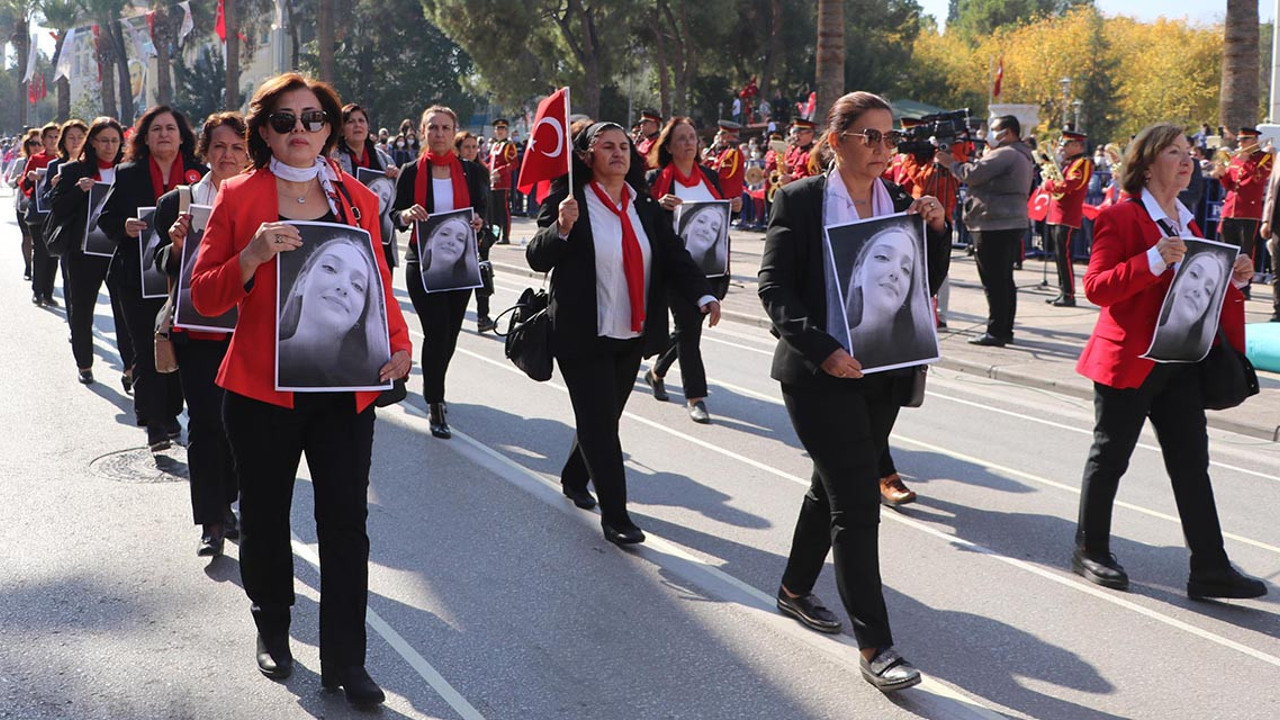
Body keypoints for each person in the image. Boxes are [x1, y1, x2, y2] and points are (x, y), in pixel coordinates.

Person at [190, 72, 411, 706]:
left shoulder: (356, 198)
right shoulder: (238, 196)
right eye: (284, 121)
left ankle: (347, 658)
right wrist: (252, 257)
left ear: (330, 127)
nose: (300, 131)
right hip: (261, 391)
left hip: (345, 391)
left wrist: (399, 344)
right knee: (264, 517)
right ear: (263, 130)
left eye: (312, 119)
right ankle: (273, 630)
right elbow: (204, 294)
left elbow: (377, 282)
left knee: (346, 523)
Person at [759, 91, 950, 692]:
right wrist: (824, 349)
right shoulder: (799, 199)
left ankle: (793, 589)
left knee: (830, 486)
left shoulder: (897, 199)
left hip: (880, 375)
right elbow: (774, 289)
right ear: (836, 139)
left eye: (889, 138)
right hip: (819, 374)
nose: (883, 148)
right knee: (857, 500)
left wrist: (938, 233)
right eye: (870, 136)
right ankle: (876, 647)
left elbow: (925, 281)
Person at [1073, 123, 1266, 601]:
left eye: (1189, 153)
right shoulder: (1121, 216)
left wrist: (1235, 280)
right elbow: (1097, 287)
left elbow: (1196, 294)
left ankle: (1210, 568)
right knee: (1110, 457)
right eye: (1175, 152)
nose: (1188, 160)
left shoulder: (1188, 220)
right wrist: (1153, 260)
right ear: (1147, 162)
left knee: (1191, 464)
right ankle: (1090, 548)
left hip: (1181, 361)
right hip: (1130, 360)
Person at [528, 121, 719, 544]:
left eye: (625, 147)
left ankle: (575, 475)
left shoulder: (645, 206)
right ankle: (617, 516)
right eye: (608, 146)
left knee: (603, 417)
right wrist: (559, 228)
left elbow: (675, 257)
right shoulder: (570, 200)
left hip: (630, 333)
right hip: (582, 333)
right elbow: (537, 258)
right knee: (601, 425)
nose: (618, 153)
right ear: (587, 157)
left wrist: (704, 296)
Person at [153, 111, 248, 557]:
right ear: (205, 151)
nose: (227, 156)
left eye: (237, 147)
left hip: (248, 331)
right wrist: (174, 246)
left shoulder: (263, 195)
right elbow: (159, 267)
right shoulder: (181, 200)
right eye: (219, 147)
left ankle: (231, 504)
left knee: (239, 427)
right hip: (196, 331)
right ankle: (211, 519)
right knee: (205, 425)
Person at [98, 106, 206, 453]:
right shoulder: (128, 173)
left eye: (170, 128)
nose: (163, 134)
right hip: (136, 276)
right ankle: (153, 422)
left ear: (182, 136)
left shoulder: (200, 175)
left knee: (177, 345)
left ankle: (171, 411)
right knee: (147, 348)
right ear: (145, 137)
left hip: (183, 278)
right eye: (156, 129)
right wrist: (124, 227)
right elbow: (106, 219)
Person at [392, 105, 487, 439]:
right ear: (423, 131)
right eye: (433, 127)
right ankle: (435, 402)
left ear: (454, 131)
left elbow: (482, 215)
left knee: (450, 335)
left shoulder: (472, 172)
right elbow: (393, 216)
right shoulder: (410, 170)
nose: (440, 133)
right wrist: (405, 214)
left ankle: (435, 383)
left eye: (446, 127)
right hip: (423, 262)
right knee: (436, 330)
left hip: (460, 265)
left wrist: (478, 223)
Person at [644, 116, 739, 424]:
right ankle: (695, 396)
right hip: (675, 268)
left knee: (688, 330)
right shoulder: (657, 178)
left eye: (692, 137)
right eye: (681, 138)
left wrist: (733, 208)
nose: (688, 143)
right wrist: (659, 205)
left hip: (712, 270)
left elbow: (719, 219)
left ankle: (657, 373)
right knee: (689, 331)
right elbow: (642, 218)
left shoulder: (710, 176)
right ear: (668, 146)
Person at [46, 117, 136, 392]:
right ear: (93, 143)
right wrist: (77, 190)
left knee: (125, 312)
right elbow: (57, 207)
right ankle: (84, 363)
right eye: (103, 141)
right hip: (83, 253)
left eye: (114, 140)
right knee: (82, 309)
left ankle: (131, 367)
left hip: (118, 251)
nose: (109, 146)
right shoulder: (74, 170)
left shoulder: (129, 171)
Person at [937, 115, 1035, 346]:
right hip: (1006, 221)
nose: (988, 135)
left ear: (1008, 133)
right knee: (1003, 280)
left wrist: (951, 163)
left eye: (994, 130)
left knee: (994, 281)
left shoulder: (1007, 153)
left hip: (994, 223)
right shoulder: (1019, 153)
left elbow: (974, 174)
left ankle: (996, 331)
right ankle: (1003, 328)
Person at [278, 235, 388, 387]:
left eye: (357, 285)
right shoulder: (263, 360)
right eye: (330, 268)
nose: (343, 286)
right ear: (302, 282)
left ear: (362, 314)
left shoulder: (363, 379)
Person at [843, 225, 937, 370]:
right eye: (883, 257)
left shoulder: (916, 351)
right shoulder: (837, 345)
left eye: (906, 269)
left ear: (909, 292)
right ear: (858, 275)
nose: (895, 273)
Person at [332, 103, 401, 272]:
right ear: (341, 129)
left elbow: (397, 200)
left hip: (380, 238)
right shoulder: (332, 159)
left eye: (361, 121)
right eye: (350, 122)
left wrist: (397, 177)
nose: (357, 125)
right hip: (349, 234)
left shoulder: (384, 159)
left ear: (368, 126)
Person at [29, 120, 88, 308]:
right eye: (71, 137)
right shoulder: (55, 165)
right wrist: (54, 186)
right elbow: (45, 199)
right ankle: (42, 292)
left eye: (80, 137)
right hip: (64, 228)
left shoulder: (91, 165)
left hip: (89, 228)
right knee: (65, 274)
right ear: (63, 141)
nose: (76, 141)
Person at [1211, 127, 1270, 299]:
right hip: (1230, 209)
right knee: (1227, 248)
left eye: (1244, 140)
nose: (1240, 143)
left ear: (1254, 141)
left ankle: (1244, 286)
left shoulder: (1264, 158)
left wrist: (1246, 161)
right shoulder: (1235, 158)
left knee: (1245, 250)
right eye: (1239, 140)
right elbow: (1230, 184)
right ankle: (1226, 283)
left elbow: (1257, 179)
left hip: (1248, 211)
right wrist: (1222, 175)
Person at [1146, 250, 1230, 362]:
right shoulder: (1144, 341)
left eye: (1208, 290)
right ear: (1178, 279)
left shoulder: (1209, 358)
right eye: (1194, 275)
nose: (1198, 290)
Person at [1043, 130, 1094, 307]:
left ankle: (1069, 294)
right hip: (1057, 213)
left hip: (1067, 215)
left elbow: (1070, 185)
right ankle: (1062, 291)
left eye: (1066, 145)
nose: (1063, 148)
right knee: (1059, 256)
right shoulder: (1068, 163)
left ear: (1077, 146)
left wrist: (1048, 184)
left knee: (1064, 256)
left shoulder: (1082, 163)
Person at [456, 130, 497, 332]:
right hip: (458, 230)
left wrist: (484, 222)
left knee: (483, 272)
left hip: (479, 229)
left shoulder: (481, 170)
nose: (471, 151)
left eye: (474, 147)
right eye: (466, 147)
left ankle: (483, 316)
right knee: (459, 275)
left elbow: (484, 201)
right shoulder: (453, 170)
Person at [421, 214, 478, 290]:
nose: (451, 242)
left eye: (460, 239)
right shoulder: (418, 280)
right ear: (430, 242)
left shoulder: (464, 285)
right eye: (445, 234)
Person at [486, 118, 518, 244]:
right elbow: (490, 163)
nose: (500, 131)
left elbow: (514, 163)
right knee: (494, 212)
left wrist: (500, 171)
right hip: (493, 183)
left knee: (504, 211)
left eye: (502, 129)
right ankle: (495, 235)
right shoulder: (494, 146)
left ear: (506, 131)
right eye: (498, 129)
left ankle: (505, 236)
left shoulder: (509, 146)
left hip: (503, 184)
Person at [1259, 152, 1280, 321]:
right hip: (1278, 224)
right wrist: (1266, 221)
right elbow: (1272, 191)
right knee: (1277, 269)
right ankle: (1278, 311)